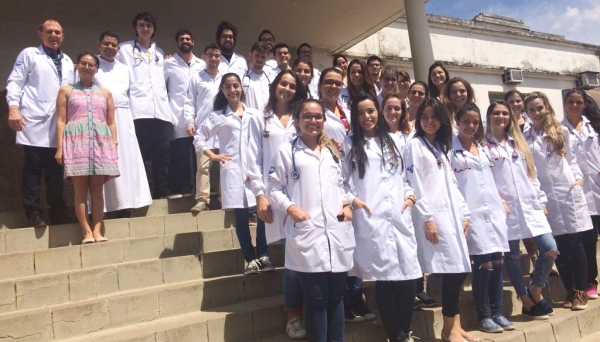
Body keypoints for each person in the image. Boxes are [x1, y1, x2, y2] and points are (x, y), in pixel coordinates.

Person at [267, 99, 354, 342]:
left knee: (336, 299)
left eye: (318, 116)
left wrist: (346, 204)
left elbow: (343, 185)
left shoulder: (333, 153)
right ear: (297, 120)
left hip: (336, 234)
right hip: (307, 234)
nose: (313, 121)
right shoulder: (287, 152)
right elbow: (273, 188)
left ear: (324, 121)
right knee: (316, 300)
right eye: (307, 116)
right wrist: (291, 209)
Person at [342, 94, 421, 342]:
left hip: (399, 215)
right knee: (386, 278)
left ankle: (405, 331)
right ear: (355, 117)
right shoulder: (349, 144)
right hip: (372, 217)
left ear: (379, 112)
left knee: (408, 277)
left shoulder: (394, 141)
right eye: (361, 113)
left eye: (371, 111)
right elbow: (342, 181)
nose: (367, 117)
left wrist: (410, 196)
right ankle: (395, 335)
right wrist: (353, 200)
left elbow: (405, 178)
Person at [403, 98, 476, 342]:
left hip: (452, 215)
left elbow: (452, 184)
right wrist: (427, 218)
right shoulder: (415, 146)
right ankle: (448, 330)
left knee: (459, 270)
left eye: (435, 117)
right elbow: (415, 185)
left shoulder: (442, 148)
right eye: (425, 116)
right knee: (452, 271)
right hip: (434, 215)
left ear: (443, 120)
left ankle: (456, 327)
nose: (430, 121)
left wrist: (465, 212)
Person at [248, 70, 308, 339]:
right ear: (274, 86)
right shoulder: (259, 118)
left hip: (304, 195)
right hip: (275, 196)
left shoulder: (301, 117)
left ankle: (311, 310)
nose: (287, 88)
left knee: (306, 256)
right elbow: (251, 158)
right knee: (291, 259)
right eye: (283, 83)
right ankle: (293, 315)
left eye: (292, 85)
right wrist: (259, 195)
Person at [194, 73, 274, 274]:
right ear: (222, 90)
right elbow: (199, 138)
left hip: (255, 170)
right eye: (228, 87)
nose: (232, 90)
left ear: (241, 88)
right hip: (233, 172)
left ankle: (264, 255)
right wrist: (213, 155)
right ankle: (249, 259)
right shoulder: (218, 116)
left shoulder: (255, 114)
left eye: (236, 85)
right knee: (240, 217)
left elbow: (266, 139)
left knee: (262, 213)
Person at [484, 100, 557, 319]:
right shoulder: (484, 145)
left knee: (550, 248)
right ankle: (525, 299)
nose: (501, 117)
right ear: (489, 117)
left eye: (505, 113)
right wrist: (497, 200)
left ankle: (536, 289)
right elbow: (485, 180)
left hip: (530, 205)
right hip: (506, 209)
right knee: (513, 256)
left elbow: (531, 175)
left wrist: (541, 202)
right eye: (496, 113)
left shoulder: (519, 142)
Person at [524, 92, 592, 310]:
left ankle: (581, 290)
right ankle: (570, 289)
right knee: (559, 245)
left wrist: (579, 180)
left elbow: (571, 160)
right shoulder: (524, 137)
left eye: (540, 108)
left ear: (547, 108)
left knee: (575, 243)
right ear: (526, 112)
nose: (536, 113)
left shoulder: (560, 131)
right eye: (532, 109)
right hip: (545, 196)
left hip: (567, 191)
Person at [450, 103, 514, 333]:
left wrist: (500, 199)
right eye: (466, 121)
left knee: (497, 262)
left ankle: (498, 312)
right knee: (483, 263)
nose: (470, 125)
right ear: (457, 121)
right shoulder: (451, 150)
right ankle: (483, 315)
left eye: (475, 122)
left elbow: (491, 178)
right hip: (472, 213)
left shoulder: (483, 148)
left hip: (493, 211)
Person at [6, 19, 73, 227]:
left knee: (56, 169)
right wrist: (13, 108)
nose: (54, 35)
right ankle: (33, 211)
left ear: (63, 36)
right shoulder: (29, 54)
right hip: (34, 121)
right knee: (33, 168)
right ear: (40, 34)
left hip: (59, 124)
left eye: (58, 32)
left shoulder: (69, 61)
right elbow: (15, 81)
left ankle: (57, 209)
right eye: (49, 32)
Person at [55, 52, 119, 244]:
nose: (87, 67)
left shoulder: (105, 93)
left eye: (91, 65)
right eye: (83, 63)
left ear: (96, 69)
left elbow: (111, 122)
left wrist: (114, 144)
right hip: (76, 143)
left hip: (101, 143)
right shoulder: (66, 91)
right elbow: (60, 120)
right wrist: (60, 148)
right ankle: (86, 231)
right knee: (80, 189)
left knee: (97, 188)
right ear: (77, 66)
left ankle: (98, 229)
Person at [94, 31, 152, 215]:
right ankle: (104, 206)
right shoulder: (91, 65)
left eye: (113, 45)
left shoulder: (124, 68)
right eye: (106, 44)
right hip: (101, 117)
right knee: (105, 160)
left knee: (126, 160)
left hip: (124, 117)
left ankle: (126, 203)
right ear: (99, 44)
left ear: (118, 48)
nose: (110, 48)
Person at [117, 12, 173, 199]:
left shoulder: (160, 54)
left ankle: (162, 191)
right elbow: (107, 63)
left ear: (153, 29)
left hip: (162, 112)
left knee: (163, 154)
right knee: (142, 155)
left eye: (149, 25)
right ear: (136, 28)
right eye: (141, 25)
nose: (145, 29)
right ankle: (144, 192)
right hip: (139, 111)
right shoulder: (124, 50)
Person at [562, 88, 600, 299]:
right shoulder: (560, 129)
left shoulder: (593, 126)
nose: (574, 105)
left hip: (598, 186)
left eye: (578, 102)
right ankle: (590, 282)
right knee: (588, 240)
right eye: (571, 102)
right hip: (580, 194)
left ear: (584, 104)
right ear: (565, 104)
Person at [405, 82, 437, 309]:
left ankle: (419, 288)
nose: (416, 95)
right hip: (404, 186)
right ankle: (412, 289)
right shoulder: (401, 119)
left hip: (422, 189)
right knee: (410, 241)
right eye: (413, 92)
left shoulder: (428, 124)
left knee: (417, 242)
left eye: (421, 93)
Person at [164, 29, 205, 198]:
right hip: (177, 115)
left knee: (200, 155)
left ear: (193, 42)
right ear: (177, 43)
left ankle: (200, 189)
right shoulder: (168, 63)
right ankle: (184, 188)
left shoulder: (201, 64)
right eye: (182, 39)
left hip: (199, 115)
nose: (185, 41)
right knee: (180, 155)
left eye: (188, 38)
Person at [184, 44, 223, 213]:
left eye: (216, 55)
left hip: (223, 127)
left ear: (220, 58)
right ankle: (202, 199)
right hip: (203, 127)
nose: (213, 58)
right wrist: (189, 122)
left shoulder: (225, 78)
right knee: (203, 166)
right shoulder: (196, 77)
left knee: (225, 166)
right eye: (210, 55)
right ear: (204, 57)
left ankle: (225, 197)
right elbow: (189, 101)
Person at [318, 68, 350, 143]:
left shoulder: (348, 114)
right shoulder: (313, 113)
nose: (333, 86)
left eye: (338, 83)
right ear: (319, 86)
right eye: (329, 82)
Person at [243, 42, 271, 111]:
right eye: (257, 56)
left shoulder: (271, 79)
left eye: (263, 57)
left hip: (269, 119)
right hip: (250, 120)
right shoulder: (242, 79)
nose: (260, 60)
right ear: (250, 56)